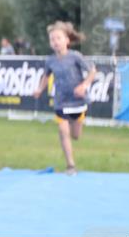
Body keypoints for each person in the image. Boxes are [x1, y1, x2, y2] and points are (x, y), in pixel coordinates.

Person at [32, 21, 97, 175]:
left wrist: (84, 85)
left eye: (58, 38)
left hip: (78, 101)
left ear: (67, 40)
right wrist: (40, 89)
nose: (55, 42)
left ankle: (77, 124)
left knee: (75, 135)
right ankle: (70, 165)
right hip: (61, 102)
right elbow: (46, 77)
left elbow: (93, 71)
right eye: (52, 39)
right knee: (63, 130)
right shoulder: (50, 60)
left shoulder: (75, 56)